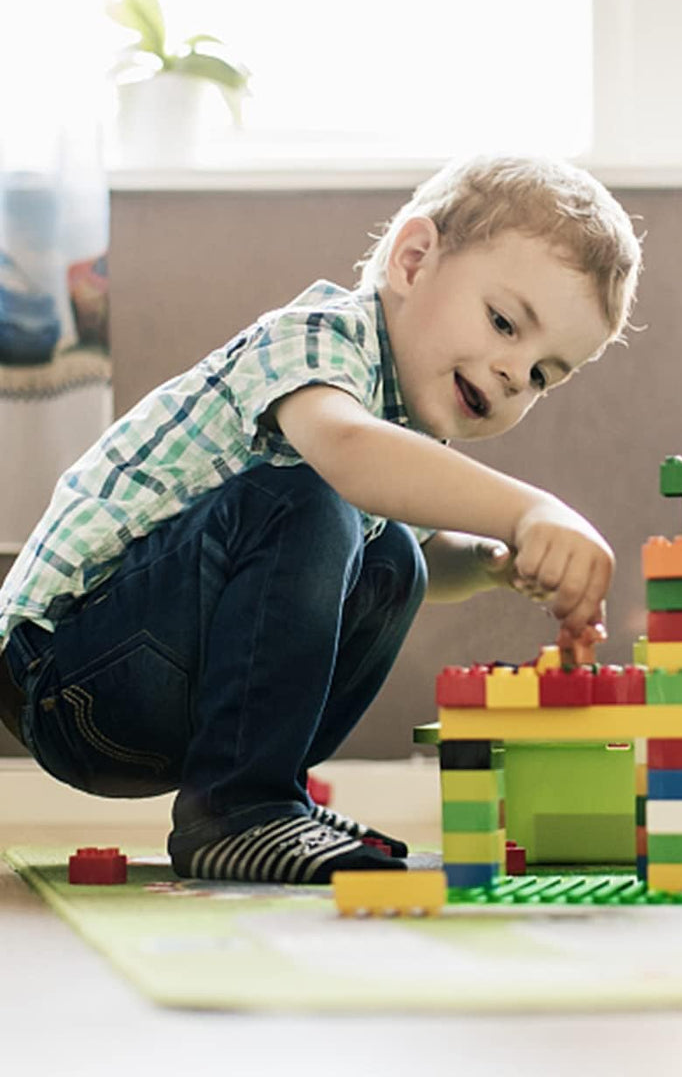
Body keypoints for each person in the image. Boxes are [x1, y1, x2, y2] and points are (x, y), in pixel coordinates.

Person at [0, 154, 641, 885]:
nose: (510, 374)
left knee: (398, 555)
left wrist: (496, 561)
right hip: (67, 671)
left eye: (541, 375)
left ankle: (264, 796)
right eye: (503, 323)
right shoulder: (318, 338)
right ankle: (240, 808)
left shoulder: (402, 435)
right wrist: (531, 507)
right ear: (413, 259)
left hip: (164, 692)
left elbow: (411, 556)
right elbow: (346, 452)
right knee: (311, 495)